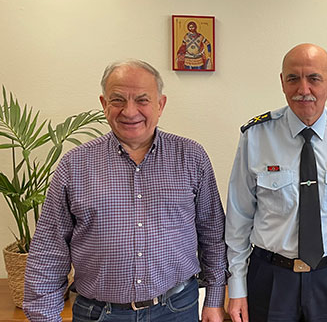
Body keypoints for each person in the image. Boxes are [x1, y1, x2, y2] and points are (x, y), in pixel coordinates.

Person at [23, 60, 227, 322]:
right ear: (104, 104)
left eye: (142, 100)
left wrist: (214, 299)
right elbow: (49, 249)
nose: (130, 111)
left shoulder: (191, 157)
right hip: (98, 313)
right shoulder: (74, 165)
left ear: (160, 105)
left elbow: (212, 234)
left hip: (177, 309)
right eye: (118, 100)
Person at [225, 43, 327, 322]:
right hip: (271, 278)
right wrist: (236, 285)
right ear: (282, 82)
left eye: (314, 78)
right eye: (293, 78)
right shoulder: (256, 137)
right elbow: (239, 216)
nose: (303, 89)